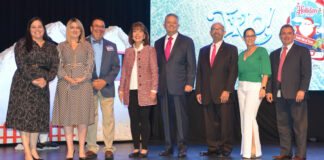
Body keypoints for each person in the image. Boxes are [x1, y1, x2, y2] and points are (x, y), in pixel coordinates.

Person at [5, 17, 59, 160]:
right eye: (33, 27)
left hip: (42, 85)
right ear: (29, 29)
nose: (37, 29)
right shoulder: (22, 44)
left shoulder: (51, 46)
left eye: (39, 26)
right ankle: (27, 152)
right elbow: (21, 64)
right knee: (24, 118)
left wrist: (46, 79)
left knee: (37, 119)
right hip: (24, 84)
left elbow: (55, 66)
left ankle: (34, 150)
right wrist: (33, 79)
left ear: (43, 28)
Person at [266, 24, 311, 160]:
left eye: (289, 33)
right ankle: (285, 152)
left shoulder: (302, 51)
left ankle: (300, 154)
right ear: (280, 36)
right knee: (283, 126)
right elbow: (270, 75)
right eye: (283, 33)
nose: (286, 35)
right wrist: (269, 91)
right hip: (279, 95)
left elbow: (306, 73)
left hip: (296, 94)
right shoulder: (274, 54)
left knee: (299, 127)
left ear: (294, 35)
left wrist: (302, 90)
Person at [52, 18, 95, 160]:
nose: (75, 30)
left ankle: (82, 149)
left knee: (83, 119)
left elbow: (90, 64)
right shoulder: (60, 46)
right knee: (67, 119)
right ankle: (70, 150)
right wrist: (67, 78)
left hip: (84, 84)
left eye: (78, 27)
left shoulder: (87, 46)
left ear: (81, 30)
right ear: (68, 30)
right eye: (72, 27)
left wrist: (83, 78)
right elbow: (58, 65)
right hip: (66, 84)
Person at [154, 13, 196, 158]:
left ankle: (182, 147)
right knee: (166, 119)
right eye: (168, 23)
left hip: (180, 86)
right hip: (163, 86)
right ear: (164, 25)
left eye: (174, 23)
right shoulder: (158, 43)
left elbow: (192, 64)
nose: (171, 25)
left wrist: (190, 83)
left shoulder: (187, 41)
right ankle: (168, 147)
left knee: (180, 118)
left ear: (178, 25)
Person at [196, 22, 238, 158]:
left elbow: (233, 71)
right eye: (214, 29)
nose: (216, 31)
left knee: (226, 124)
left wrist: (228, 90)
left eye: (219, 29)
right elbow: (199, 72)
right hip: (207, 93)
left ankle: (226, 148)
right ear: (210, 32)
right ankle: (213, 147)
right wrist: (198, 91)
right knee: (210, 124)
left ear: (224, 32)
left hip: (223, 93)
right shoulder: (203, 50)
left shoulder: (231, 49)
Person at [119, 21, 159, 158]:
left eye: (140, 31)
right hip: (131, 91)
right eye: (135, 31)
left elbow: (154, 71)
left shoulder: (150, 50)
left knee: (144, 120)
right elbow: (124, 72)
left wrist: (154, 89)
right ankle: (136, 148)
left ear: (144, 35)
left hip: (146, 91)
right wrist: (121, 89)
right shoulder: (128, 51)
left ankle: (145, 148)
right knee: (134, 120)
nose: (137, 34)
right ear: (132, 35)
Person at [84, 18, 120, 160]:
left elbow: (116, 67)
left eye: (102, 27)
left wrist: (104, 81)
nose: (99, 29)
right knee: (90, 119)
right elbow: (79, 66)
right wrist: (91, 81)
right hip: (88, 87)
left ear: (104, 29)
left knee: (108, 119)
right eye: (96, 26)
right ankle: (91, 147)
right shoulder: (82, 44)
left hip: (107, 87)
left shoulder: (112, 46)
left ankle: (109, 148)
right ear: (91, 28)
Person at [237, 28, 271, 159]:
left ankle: (248, 152)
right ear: (243, 38)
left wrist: (263, 88)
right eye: (247, 36)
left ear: (255, 37)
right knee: (245, 119)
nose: (250, 38)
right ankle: (253, 150)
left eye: (252, 36)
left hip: (255, 86)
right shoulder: (241, 55)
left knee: (248, 116)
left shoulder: (262, 51)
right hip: (241, 87)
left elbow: (266, 72)